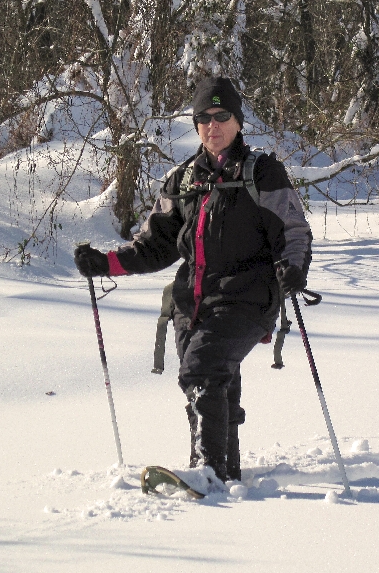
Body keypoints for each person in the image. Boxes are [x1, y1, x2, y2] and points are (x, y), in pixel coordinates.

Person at [74, 76, 312, 483]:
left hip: (248, 298)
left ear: (237, 120)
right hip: (193, 301)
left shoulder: (263, 173)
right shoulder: (183, 180)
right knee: (212, 379)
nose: (212, 125)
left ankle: (207, 472)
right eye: (203, 117)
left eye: (221, 116)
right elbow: (153, 245)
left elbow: (293, 230)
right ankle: (226, 473)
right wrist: (106, 263)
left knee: (202, 368)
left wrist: (293, 267)